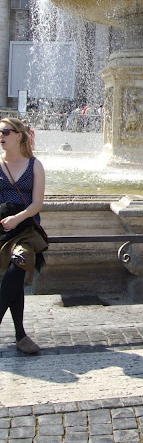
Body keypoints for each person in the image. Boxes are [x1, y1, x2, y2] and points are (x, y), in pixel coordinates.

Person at [0, 118, 47, 354]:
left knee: (19, 262)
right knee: (13, 278)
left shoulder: (34, 165)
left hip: (26, 230)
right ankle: (20, 336)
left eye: (5, 131)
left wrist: (16, 219)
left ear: (18, 135)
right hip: (1, 229)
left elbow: (37, 204)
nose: (1, 135)